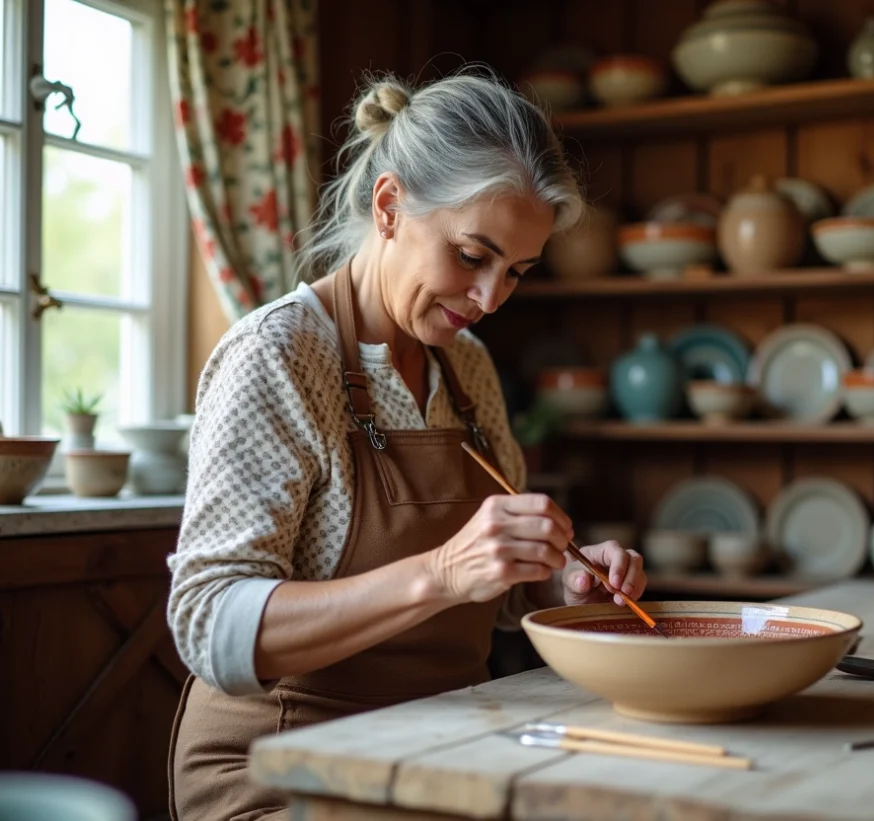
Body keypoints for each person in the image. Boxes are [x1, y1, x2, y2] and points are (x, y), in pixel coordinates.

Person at [165, 69, 648, 820]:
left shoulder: (467, 366)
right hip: (288, 772)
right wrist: (441, 571)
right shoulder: (277, 356)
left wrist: (563, 583)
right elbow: (210, 625)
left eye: (515, 272)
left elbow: (500, 593)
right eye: (471, 255)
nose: (490, 299)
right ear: (389, 206)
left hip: (440, 750)